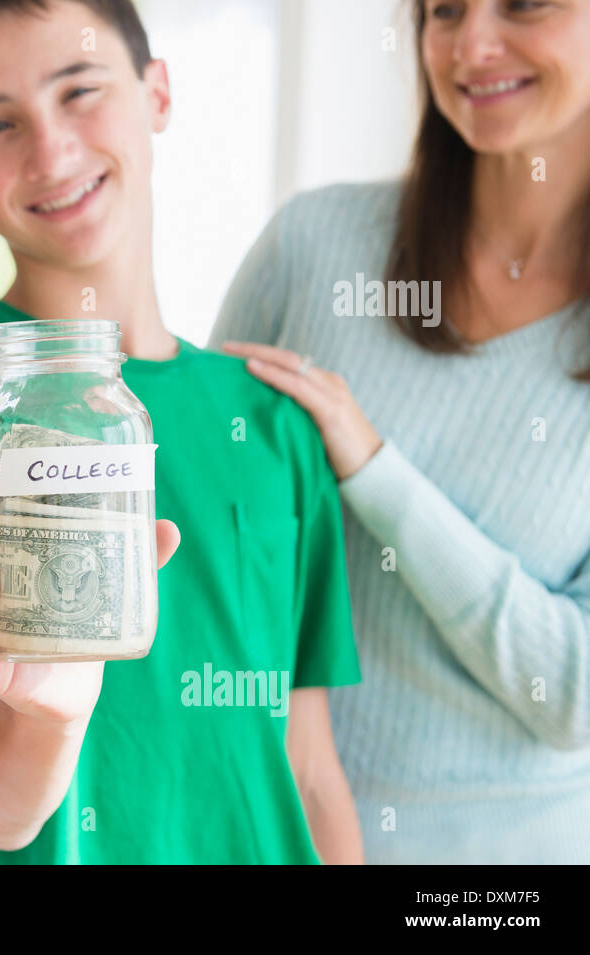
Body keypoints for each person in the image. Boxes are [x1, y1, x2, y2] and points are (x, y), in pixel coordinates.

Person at [0, 0, 363, 864]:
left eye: (80, 92)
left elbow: (307, 767)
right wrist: (53, 697)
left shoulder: (274, 422)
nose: (51, 152)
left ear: (157, 92)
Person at [210, 0, 590, 863]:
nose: (471, 44)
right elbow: (199, 529)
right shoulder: (313, 248)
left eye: (524, 3)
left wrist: (375, 471)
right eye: (444, 10)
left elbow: (575, 694)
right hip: (274, 831)